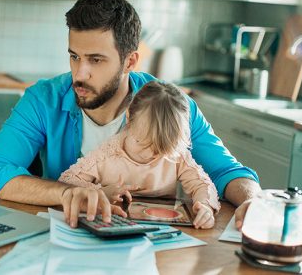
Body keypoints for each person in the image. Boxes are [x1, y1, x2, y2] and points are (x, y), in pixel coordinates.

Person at [0, 0, 261, 229]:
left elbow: (227, 171)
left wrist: (253, 202)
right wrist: (71, 192)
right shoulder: (43, 99)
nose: (79, 74)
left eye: (96, 60)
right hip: (67, 236)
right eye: (74, 56)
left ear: (130, 61)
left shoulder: (171, 105)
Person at [59, 81, 221, 229]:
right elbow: (67, 180)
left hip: (160, 231)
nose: (150, 155)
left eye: (160, 149)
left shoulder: (177, 156)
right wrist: (100, 191)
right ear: (129, 117)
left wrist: (205, 206)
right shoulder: (107, 154)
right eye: (142, 143)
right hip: (114, 227)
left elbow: (202, 184)